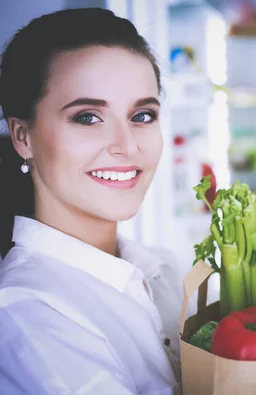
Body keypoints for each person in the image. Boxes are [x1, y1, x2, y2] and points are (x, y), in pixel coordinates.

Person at [0, 8, 185, 395]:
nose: (128, 145)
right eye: (87, 117)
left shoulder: (168, 271)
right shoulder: (27, 315)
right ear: (23, 136)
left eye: (143, 115)